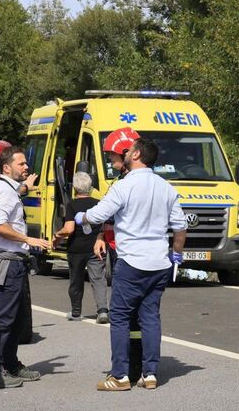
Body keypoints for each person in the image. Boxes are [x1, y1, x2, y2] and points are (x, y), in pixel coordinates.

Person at [77, 138, 187, 391]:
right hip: (159, 262)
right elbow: (180, 227)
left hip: (132, 261)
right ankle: (150, 374)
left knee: (120, 317)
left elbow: (97, 215)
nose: (124, 154)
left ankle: (119, 375)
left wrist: (81, 216)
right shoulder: (166, 187)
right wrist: (176, 253)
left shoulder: (124, 186)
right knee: (150, 316)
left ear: (136, 154)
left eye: (129, 150)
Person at [0, 146, 51, 389]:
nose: (26, 167)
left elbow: (14, 197)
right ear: (6, 168)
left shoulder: (9, 189)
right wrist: (28, 240)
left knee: (16, 318)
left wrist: (26, 188)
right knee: (4, 319)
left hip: (16, 262)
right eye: (21, 164)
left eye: (25, 163)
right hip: (7, 261)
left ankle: (10, 364)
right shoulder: (3, 191)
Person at [92, 126, 141, 324]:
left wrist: (84, 218)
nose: (111, 161)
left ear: (126, 153)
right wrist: (101, 236)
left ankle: (133, 352)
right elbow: (110, 215)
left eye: (113, 156)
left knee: (129, 309)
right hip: (115, 246)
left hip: (131, 251)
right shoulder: (120, 181)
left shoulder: (134, 184)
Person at [52, 172, 108, 321]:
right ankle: (102, 311)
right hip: (96, 247)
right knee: (98, 279)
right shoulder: (99, 203)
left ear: (75, 189)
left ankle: (76, 312)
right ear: (90, 188)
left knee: (76, 280)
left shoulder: (72, 205)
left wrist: (57, 235)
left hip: (76, 249)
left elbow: (69, 229)